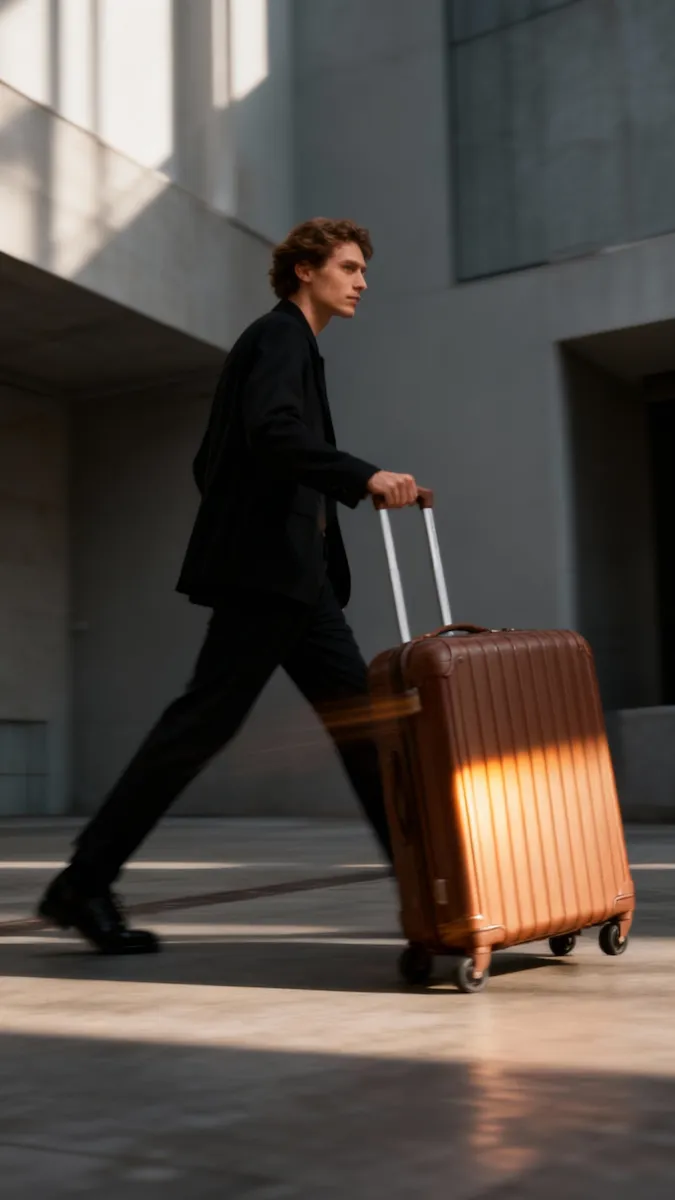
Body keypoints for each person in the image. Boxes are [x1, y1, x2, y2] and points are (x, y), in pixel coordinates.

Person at [38, 217, 423, 954]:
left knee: (361, 737)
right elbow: (270, 435)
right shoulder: (279, 337)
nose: (361, 281)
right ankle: (82, 883)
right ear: (305, 270)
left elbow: (214, 460)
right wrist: (359, 475)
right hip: (272, 583)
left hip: (295, 585)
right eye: (347, 266)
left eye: (362, 269)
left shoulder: (285, 346)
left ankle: (430, 899)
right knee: (208, 730)